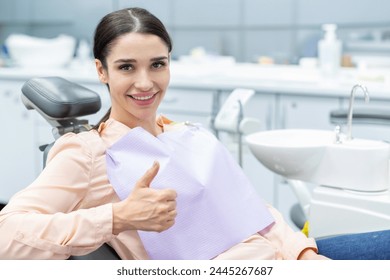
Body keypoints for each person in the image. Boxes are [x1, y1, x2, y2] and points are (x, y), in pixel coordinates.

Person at [0, 7, 387, 260]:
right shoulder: (88, 152)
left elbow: (254, 211)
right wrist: (117, 217)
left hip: (287, 257)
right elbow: (8, 235)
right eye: (126, 67)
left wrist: (303, 253)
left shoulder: (187, 134)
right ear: (101, 71)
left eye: (157, 64)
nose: (145, 82)